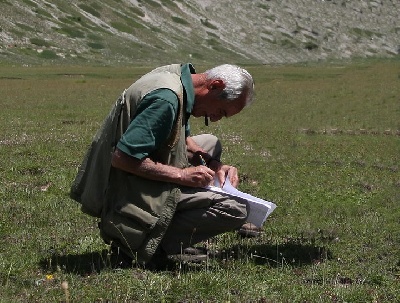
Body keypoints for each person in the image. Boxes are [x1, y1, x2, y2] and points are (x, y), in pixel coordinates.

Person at [70, 63, 257, 268]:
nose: (214, 118)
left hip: (129, 175)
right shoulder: (166, 100)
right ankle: (143, 245)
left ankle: (170, 232)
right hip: (122, 191)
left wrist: (213, 163)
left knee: (210, 144)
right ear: (215, 85)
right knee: (236, 209)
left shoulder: (178, 78)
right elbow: (122, 158)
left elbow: (181, 136)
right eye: (220, 111)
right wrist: (182, 176)